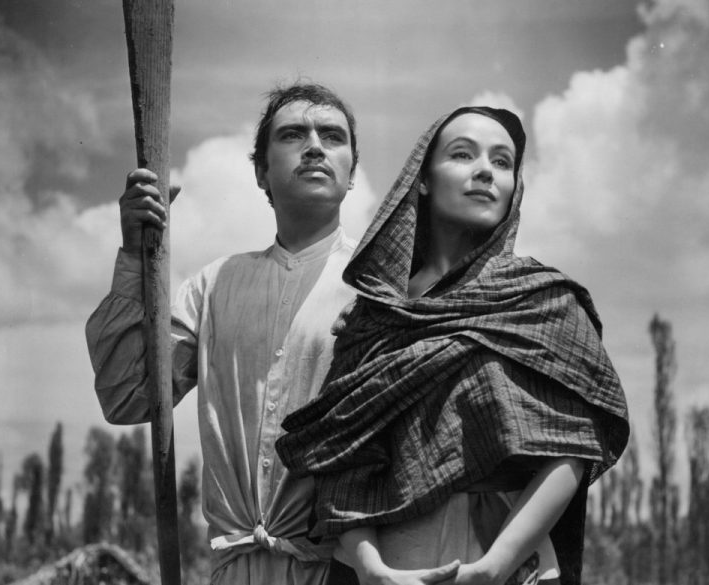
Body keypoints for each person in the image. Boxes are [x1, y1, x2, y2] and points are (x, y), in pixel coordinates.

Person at [276, 106, 630, 585]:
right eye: (463, 155)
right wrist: (372, 568)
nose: (486, 171)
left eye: (502, 162)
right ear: (422, 180)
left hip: (505, 559)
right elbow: (340, 458)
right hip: (387, 567)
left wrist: (495, 566)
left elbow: (573, 447)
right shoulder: (373, 316)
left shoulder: (544, 302)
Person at [86, 82, 375, 584]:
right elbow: (127, 396)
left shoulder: (380, 287)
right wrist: (134, 256)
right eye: (292, 135)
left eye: (332, 136)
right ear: (261, 172)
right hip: (234, 570)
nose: (314, 146)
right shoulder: (214, 285)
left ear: (351, 173)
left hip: (342, 570)